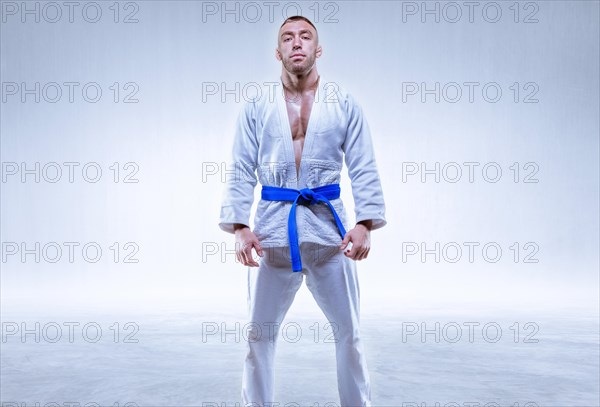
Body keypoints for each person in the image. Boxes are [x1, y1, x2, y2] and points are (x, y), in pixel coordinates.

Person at [218, 15, 387, 407]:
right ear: (278, 52)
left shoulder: (344, 103)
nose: (297, 43)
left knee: (350, 332)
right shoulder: (257, 105)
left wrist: (365, 223)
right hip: (273, 234)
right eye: (288, 38)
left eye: (305, 36)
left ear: (318, 48)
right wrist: (240, 227)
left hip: (331, 235)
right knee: (258, 335)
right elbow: (242, 166)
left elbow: (363, 165)